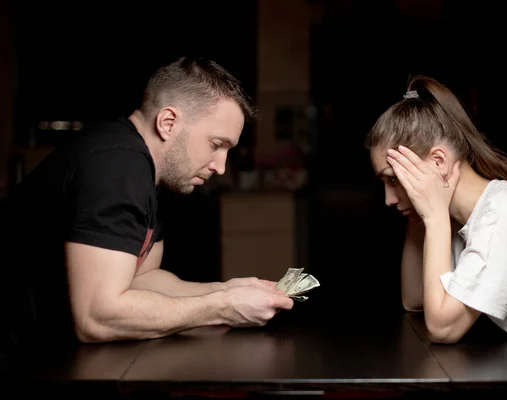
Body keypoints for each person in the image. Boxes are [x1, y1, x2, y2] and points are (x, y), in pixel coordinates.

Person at [1, 56, 293, 349]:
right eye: (216, 145)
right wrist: (222, 306)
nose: (221, 167)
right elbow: (96, 317)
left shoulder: (154, 173)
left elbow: (141, 280)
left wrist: (225, 290)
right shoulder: (117, 166)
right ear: (168, 123)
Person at [365, 75, 507, 400]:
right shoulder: (463, 217)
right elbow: (415, 300)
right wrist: (422, 212)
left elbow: (443, 328)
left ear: (438, 161)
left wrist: (433, 217)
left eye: (394, 179)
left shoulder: (506, 213)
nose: (389, 199)